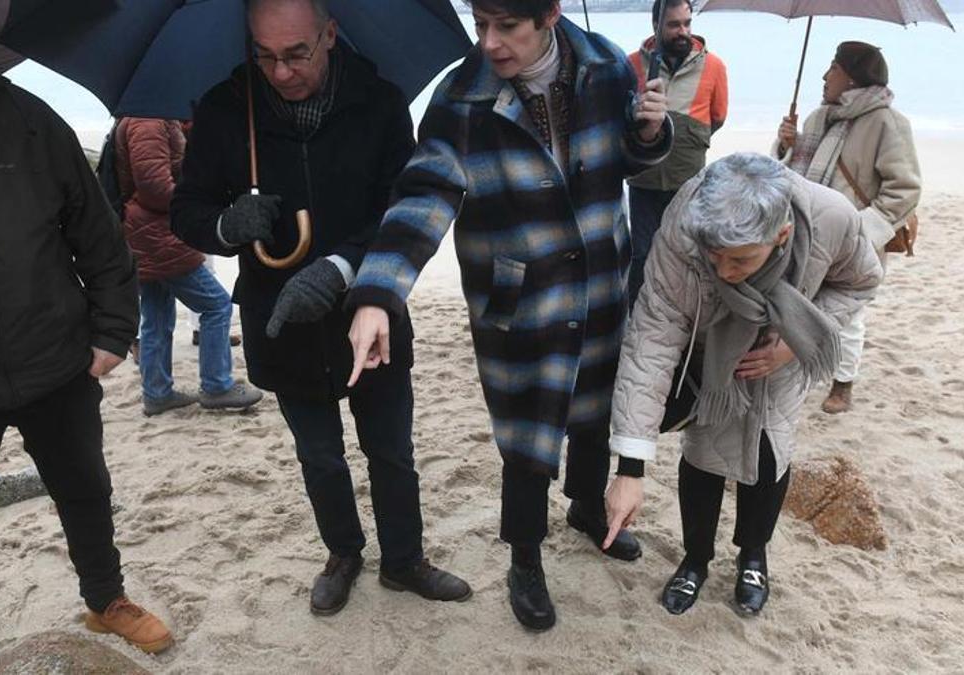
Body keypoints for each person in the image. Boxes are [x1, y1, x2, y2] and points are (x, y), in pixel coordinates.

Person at [346, 0, 673, 632]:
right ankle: (525, 558)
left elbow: (632, 163)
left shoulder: (608, 67)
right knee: (528, 436)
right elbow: (425, 192)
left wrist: (649, 134)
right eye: (480, 25)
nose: (490, 43)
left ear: (549, 14)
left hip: (601, 279)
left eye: (507, 27)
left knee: (595, 409)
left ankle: (583, 507)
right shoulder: (462, 97)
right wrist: (378, 291)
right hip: (520, 297)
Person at [0, 1, 172, 671]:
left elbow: (98, 231)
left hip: (55, 358)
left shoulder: (25, 116)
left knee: (85, 487)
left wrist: (113, 326)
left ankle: (106, 597)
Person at [171, 0, 470, 617]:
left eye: (296, 54)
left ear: (330, 35)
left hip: (370, 306)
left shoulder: (380, 102)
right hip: (278, 315)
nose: (280, 72)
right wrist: (227, 225)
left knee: (391, 449)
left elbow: (402, 204)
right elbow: (187, 211)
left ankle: (404, 559)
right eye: (265, 56)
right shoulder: (228, 110)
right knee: (319, 455)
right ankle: (343, 554)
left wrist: (343, 267)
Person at [604, 153, 882, 617]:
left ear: (782, 236)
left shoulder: (832, 217)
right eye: (714, 258)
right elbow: (654, 333)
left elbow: (860, 282)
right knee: (703, 454)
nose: (725, 271)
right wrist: (631, 467)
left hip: (784, 350)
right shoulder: (685, 226)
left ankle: (754, 557)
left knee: (771, 451)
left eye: (740, 260)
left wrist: (796, 342)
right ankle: (695, 560)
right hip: (713, 360)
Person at [775, 41, 921, 413]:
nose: (825, 76)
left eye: (833, 68)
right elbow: (794, 174)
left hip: (853, 237)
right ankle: (799, 371)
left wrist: (860, 231)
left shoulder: (888, 123)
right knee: (801, 303)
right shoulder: (817, 117)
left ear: (853, 76)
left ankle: (843, 384)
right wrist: (785, 143)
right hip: (807, 231)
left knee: (849, 315)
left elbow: (905, 189)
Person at [113, 116, 263, 416]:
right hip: (157, 233)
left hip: (144, 233)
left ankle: (157, 392)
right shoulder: (147, 121)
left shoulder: (149, 118)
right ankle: (217, 386)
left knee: (156, 313)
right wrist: (196, 203)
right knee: (217, 305)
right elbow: (155, 185)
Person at [625, 0, 728, 306]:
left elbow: (718, 117)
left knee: (688, 254)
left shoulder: (714, 66)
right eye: (674, 25)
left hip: (689, 181)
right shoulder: (631, 65)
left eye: (687, 23)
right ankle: (638, 315)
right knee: (642, 254)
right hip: (643, 181)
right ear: (655, 26)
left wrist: (687, 137)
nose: (683, 32)